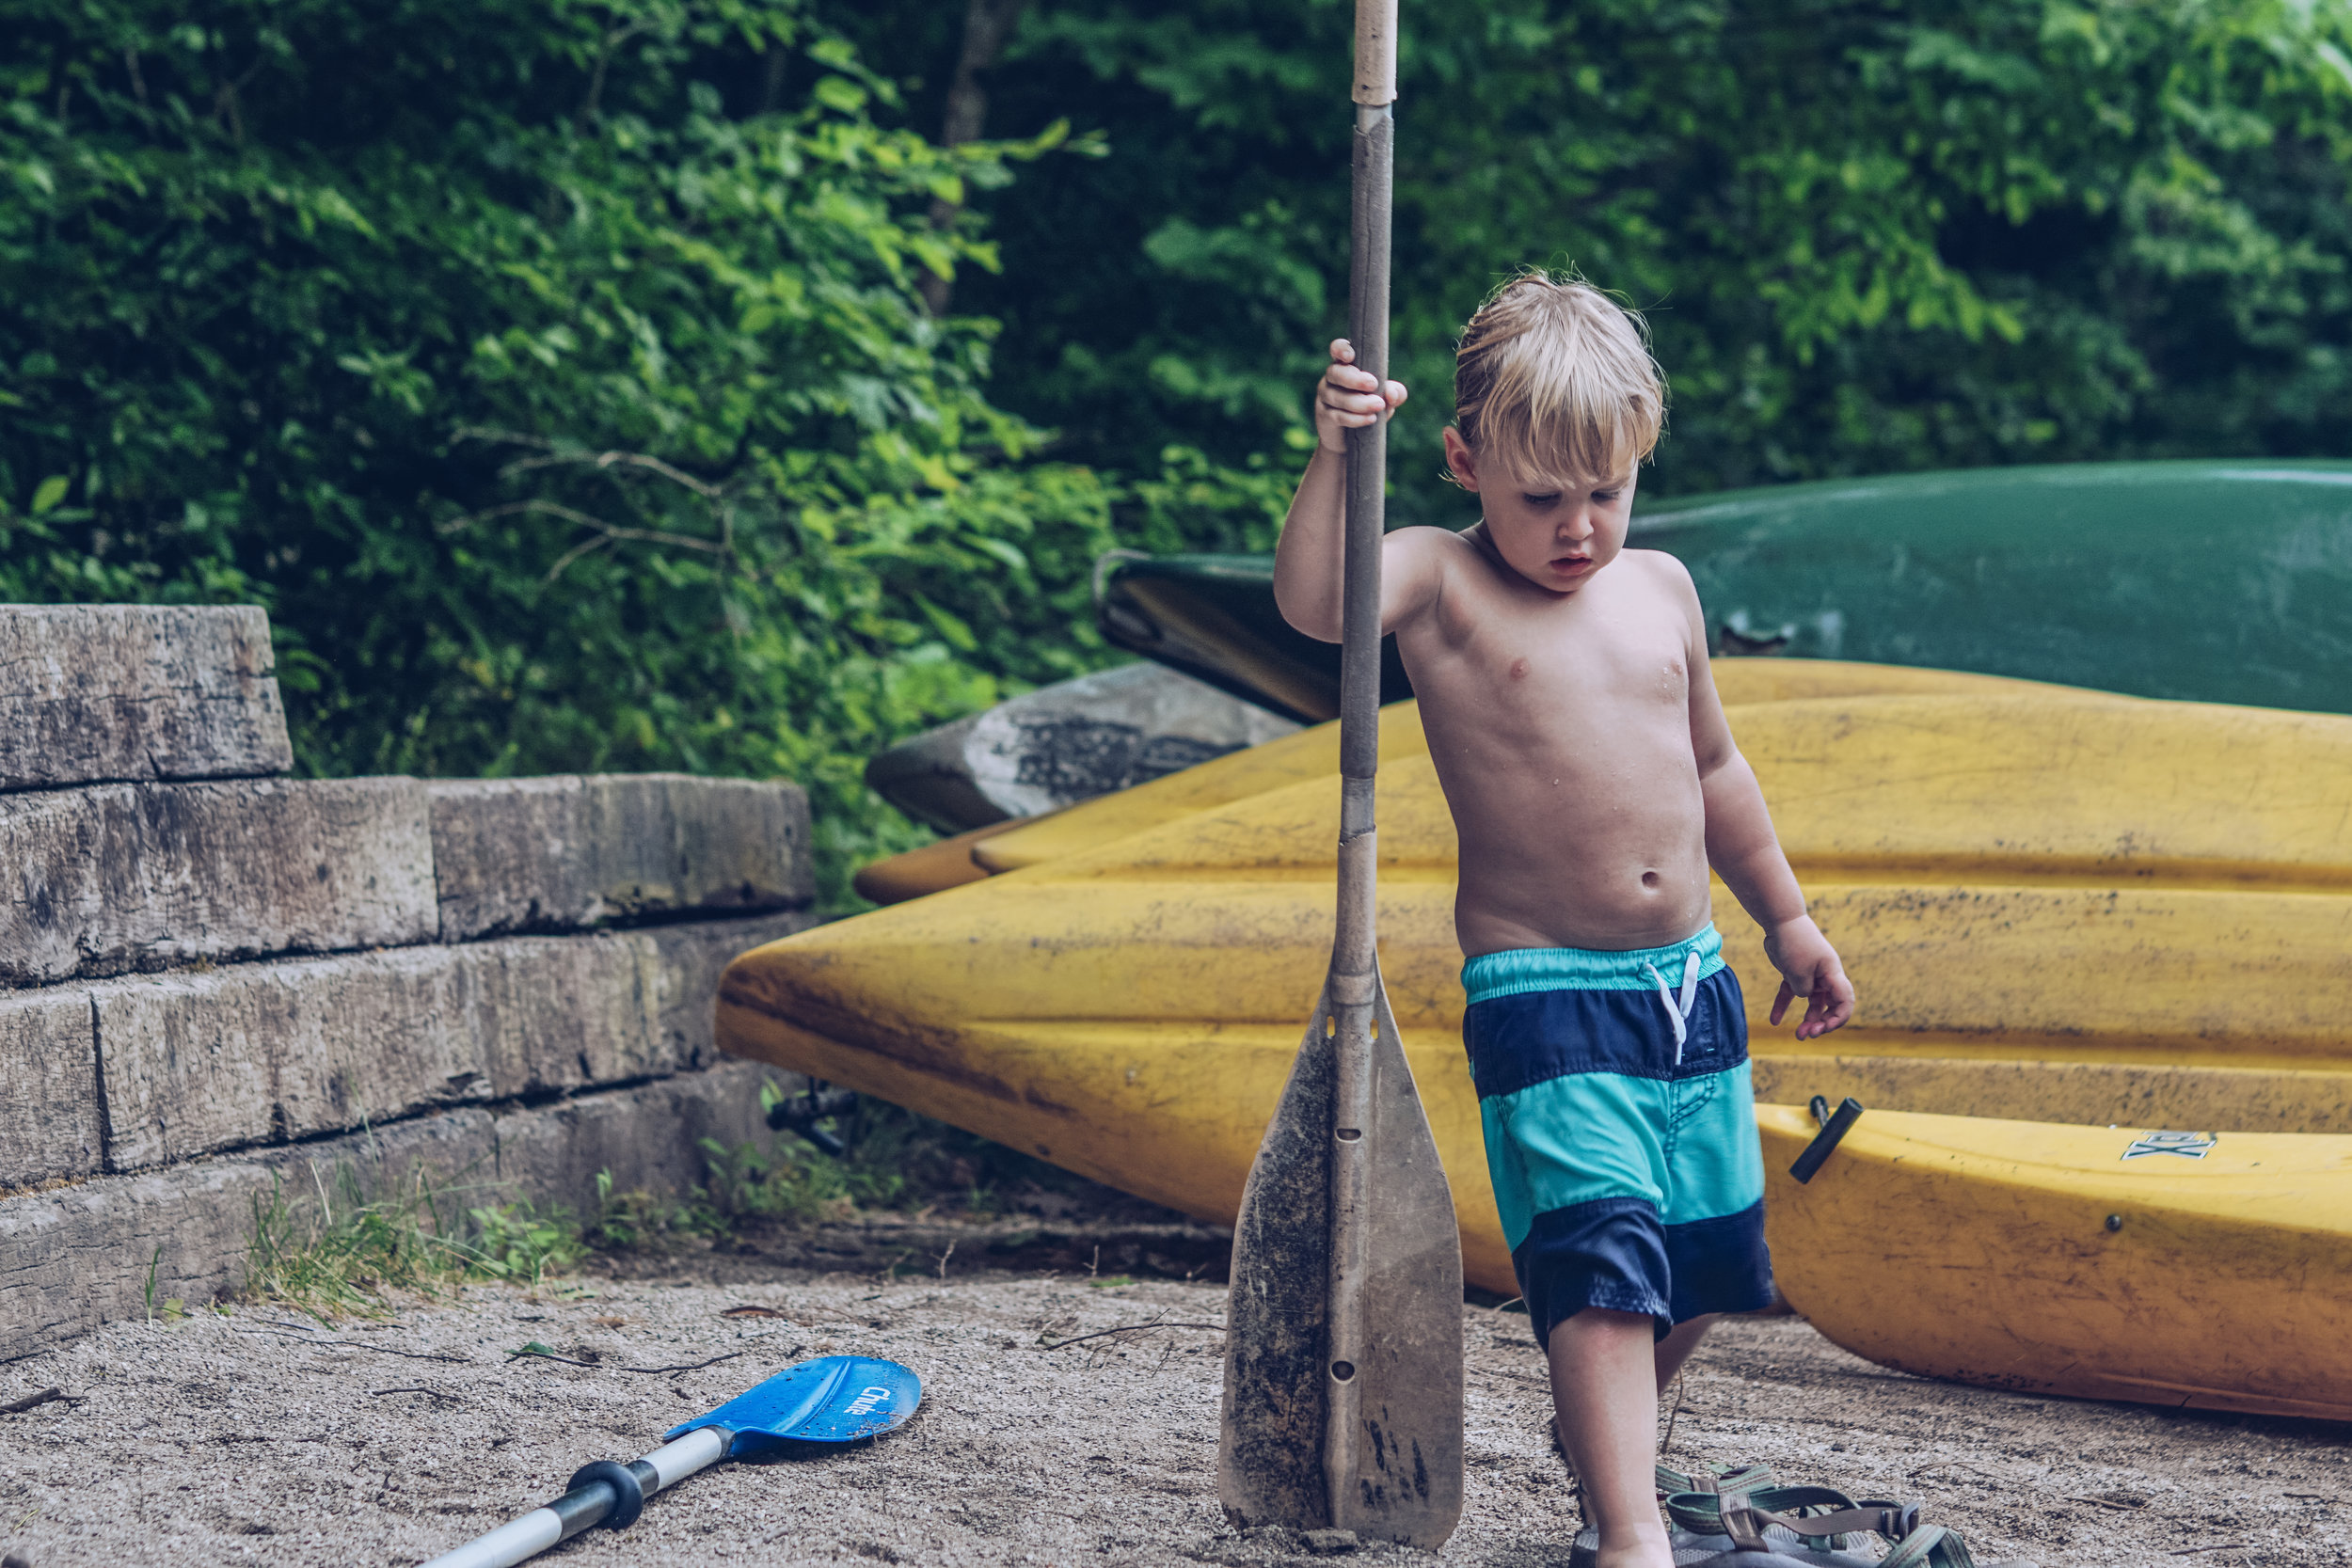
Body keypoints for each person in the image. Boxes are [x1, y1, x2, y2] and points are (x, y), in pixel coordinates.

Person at [1270, 273, 1856, 1568]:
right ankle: (1628, 1534)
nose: (1579, 528)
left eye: (1608, 492)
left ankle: (1607, 1451)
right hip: (1546, 991)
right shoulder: (1439, 579)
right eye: (1542, 498)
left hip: (1691, 987)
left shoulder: (1662, 591)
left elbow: (1715, 772)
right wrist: (1333, 459)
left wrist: (1789, 919)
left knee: (1706, 1265)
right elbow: (1316, 608)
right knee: (1599, 1258)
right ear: (1466, 460)